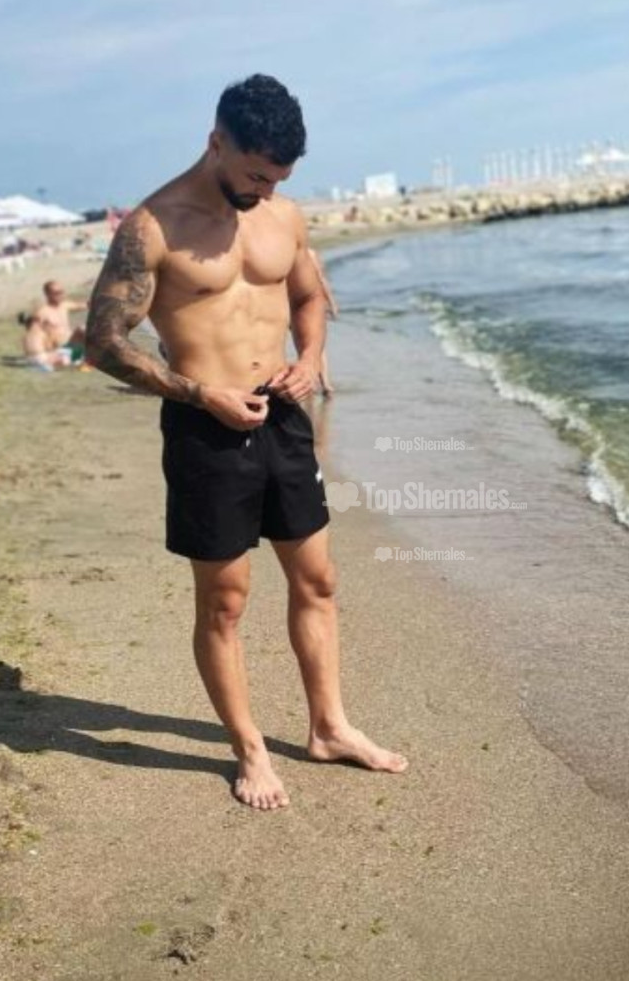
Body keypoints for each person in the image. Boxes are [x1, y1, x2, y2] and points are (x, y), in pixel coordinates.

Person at [85, 74, 408, 812]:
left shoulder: (283, 215)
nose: (266, 191)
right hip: (206, 425)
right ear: (216, 142)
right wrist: (202, 395)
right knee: (226, 602)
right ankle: (251, 750)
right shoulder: (153, 228)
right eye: (256, 175)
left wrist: (312, 357)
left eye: (279, 178)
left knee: (318, 581)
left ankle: (329, 728)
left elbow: (307, 295)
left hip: (284, 416)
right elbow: (102, 343)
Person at [308, 247, 338, 397]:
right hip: (307, 303)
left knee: (308, 345)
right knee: (316, 345)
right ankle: (324, 383)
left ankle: (316, 382)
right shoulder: (310, 254)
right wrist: (332, 303)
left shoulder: (283, 252)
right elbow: (321, 279)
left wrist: (331, 303)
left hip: (295, 303)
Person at [36, 280, 88, 362]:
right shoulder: (42, 313)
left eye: (62, 292)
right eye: (57, 293)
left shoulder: (64, 305)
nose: (61, 295)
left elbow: (85, 305)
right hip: (60, 351)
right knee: (81, 329)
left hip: (71, 344)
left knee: (91, 327)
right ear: (47, 294)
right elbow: (35, 335)